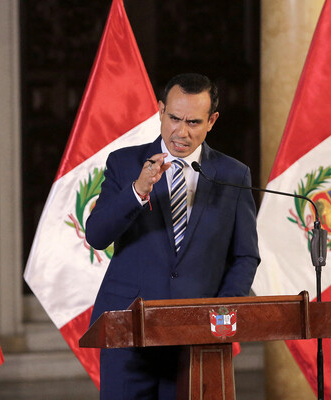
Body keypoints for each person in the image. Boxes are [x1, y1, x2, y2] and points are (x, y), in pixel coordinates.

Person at [85, 73, 260, 399]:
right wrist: (138, 190)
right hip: (129, 331)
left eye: (193, 122)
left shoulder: (233, 175)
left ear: (212, 121)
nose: (181, 132)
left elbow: (245, 255)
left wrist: (221, 314)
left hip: (196, 336)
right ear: (161, 110)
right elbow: (96, 235)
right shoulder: (125, 163)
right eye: (174, 118)